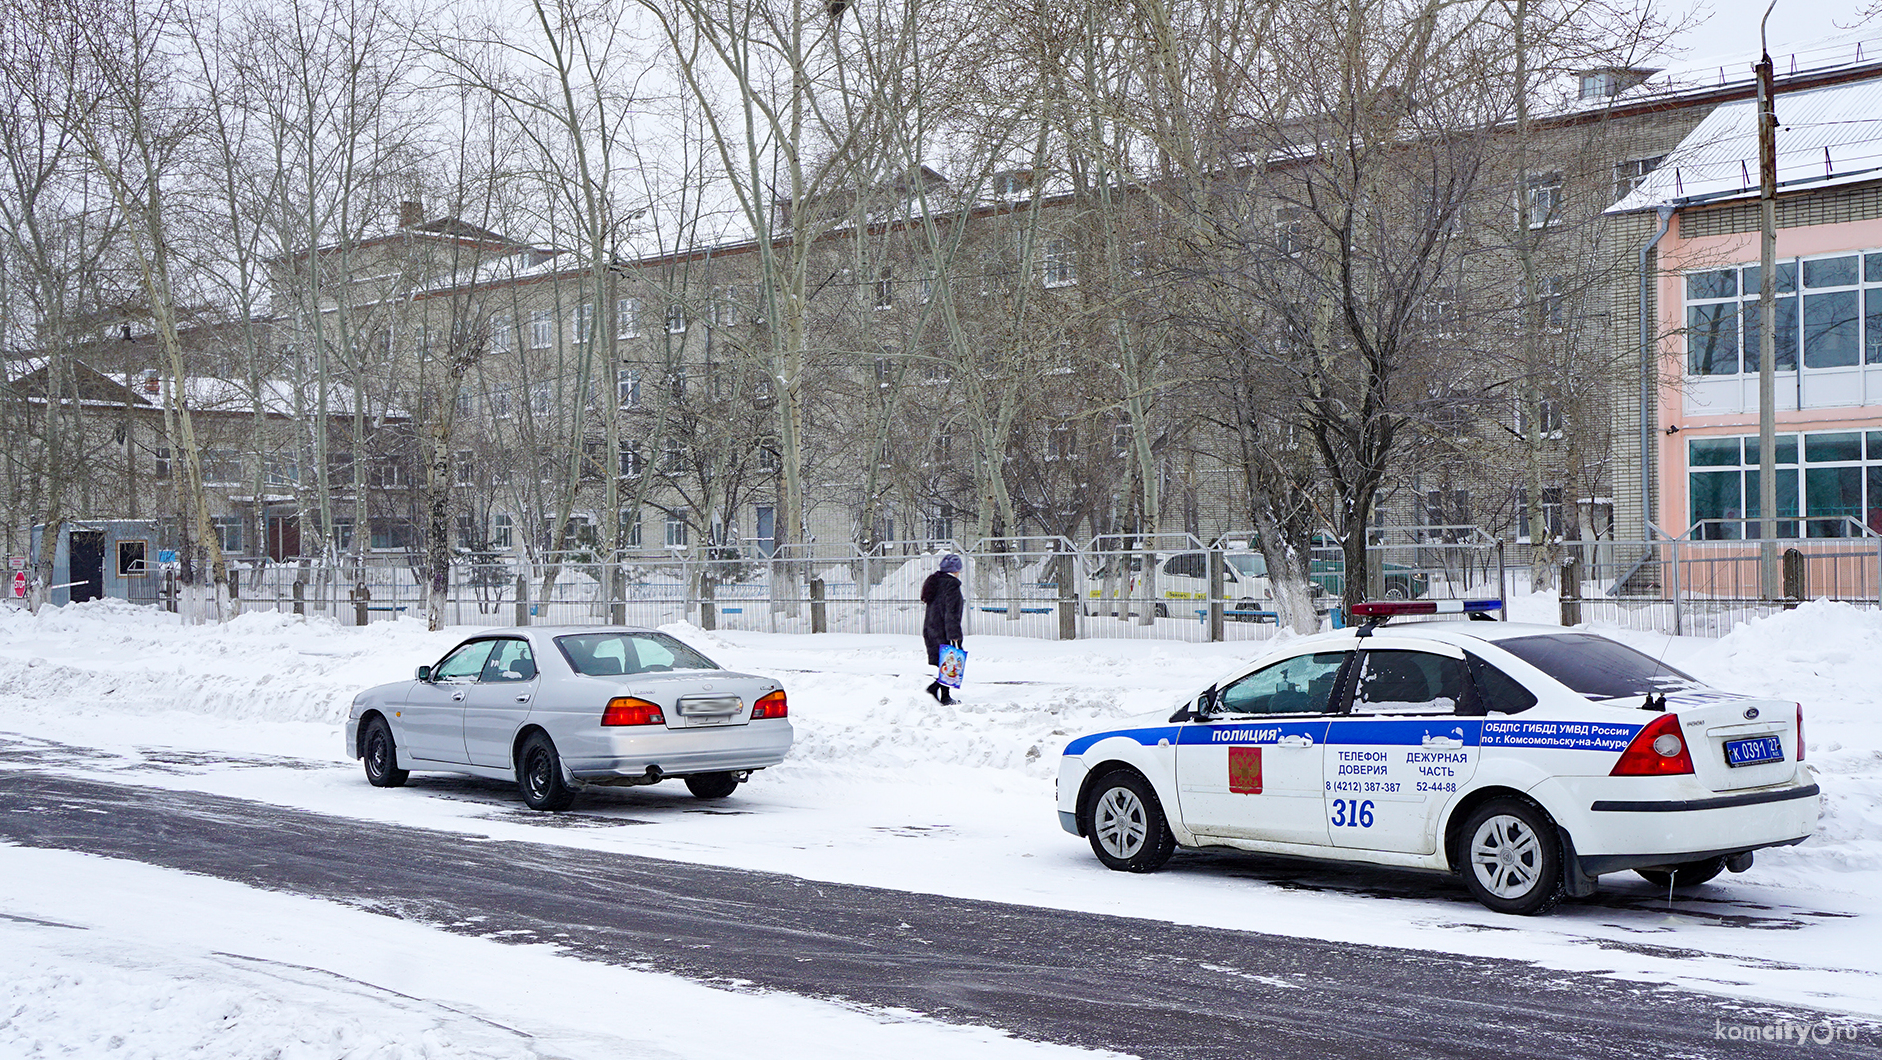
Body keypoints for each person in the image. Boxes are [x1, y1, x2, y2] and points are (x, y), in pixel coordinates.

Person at [920, 553, 965, 704]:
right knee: (950, 662)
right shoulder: (951, 586)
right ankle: (937, 690)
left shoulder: (935, 583)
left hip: (932, 628)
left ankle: (944, 695)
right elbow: (951, 613)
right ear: (955, 570)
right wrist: (955, 635)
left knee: (945, 663)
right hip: (944, 630)